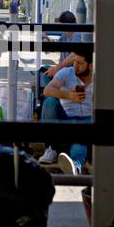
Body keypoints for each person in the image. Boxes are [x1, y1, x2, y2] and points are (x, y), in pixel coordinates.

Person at [39, 51, 93, 174]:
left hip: (88, 120)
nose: (75, 65)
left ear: (91, 66)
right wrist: (68, 95)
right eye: (74, 61)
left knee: (81, 136)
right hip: (67, 117)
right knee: (49, 102)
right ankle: (50, 148)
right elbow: (48, 90)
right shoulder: (67, 73)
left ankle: (75, 166)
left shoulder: (99, 78)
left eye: (79, 63)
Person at [38, 11, 81, 164]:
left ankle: (52, 148)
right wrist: (46, 39)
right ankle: (51, 148)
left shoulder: (78, 37)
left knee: (49, 100)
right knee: (44, 73)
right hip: (64, 86)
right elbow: (57, 49)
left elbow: (75, 54)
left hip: (73, 92)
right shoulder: (65, 37)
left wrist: (58, 68)